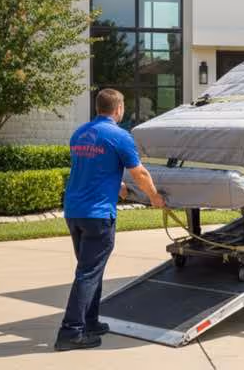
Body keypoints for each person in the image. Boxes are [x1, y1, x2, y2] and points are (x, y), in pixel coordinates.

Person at [55, 89, 165, 352]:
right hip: (98, 215)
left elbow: (92, 168)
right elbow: (139, 173)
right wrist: (154, 197)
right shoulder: (119, 135)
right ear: (118, 109)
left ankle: (90, 322)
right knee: (88, 273)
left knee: (91, 269)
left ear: (98, 108)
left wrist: (118, 187)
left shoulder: (80, 133)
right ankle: (71, 331)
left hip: (74, 211)